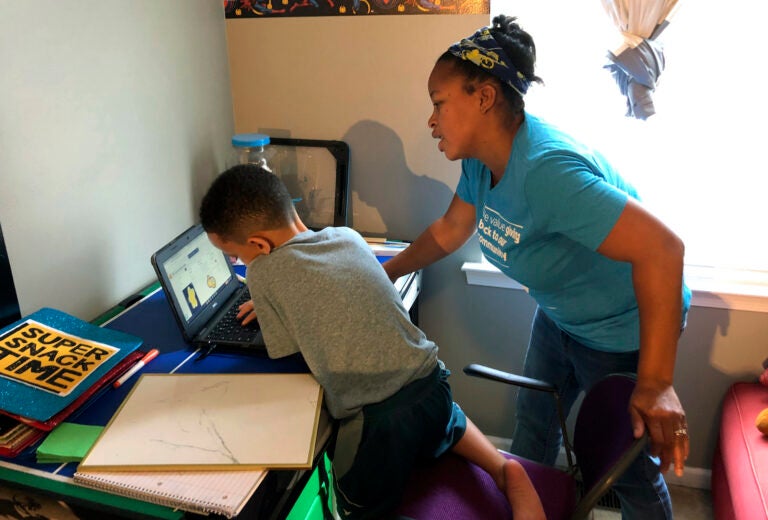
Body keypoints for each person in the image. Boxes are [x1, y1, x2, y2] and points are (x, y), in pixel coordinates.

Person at [381, 14, 692, 520]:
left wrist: (655, 382)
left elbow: (663, 250)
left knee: (629, 473)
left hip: (622, 332)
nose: (431, 121)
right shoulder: (481, 160)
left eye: (439, 103)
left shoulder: (547, 171)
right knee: (532, 430)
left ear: (483, 97)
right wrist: (387, 271)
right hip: (561, 316)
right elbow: (450, 230)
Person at [198, 165, 546, 520]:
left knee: (355, 505)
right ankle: (502, 469)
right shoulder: (347, 236)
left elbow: (289, 349)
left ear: (259, 244)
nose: (239, 263)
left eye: (237, 255)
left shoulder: (262, 273)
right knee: (441, 419)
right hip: (433, 386)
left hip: (380, 425)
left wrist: (268, 296)